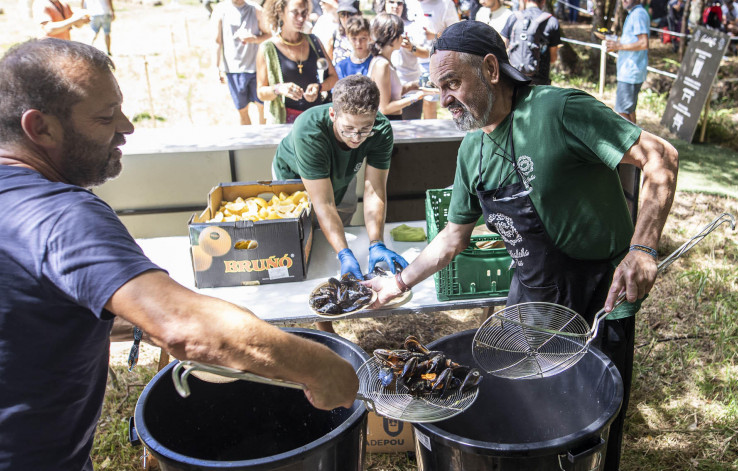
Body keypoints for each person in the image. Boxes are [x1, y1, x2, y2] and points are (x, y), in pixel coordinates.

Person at [0, 38, 358, 471]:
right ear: (40, 128)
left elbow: (15, 316)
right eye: (106, 116)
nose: (127, 127)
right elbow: (187, 329)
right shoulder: (62, 215)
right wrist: (319, 366)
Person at [365, 21, 678, 471]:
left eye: (452, 83)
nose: (446, 98)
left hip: (601, 293)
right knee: (527, 410)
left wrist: (643, 249)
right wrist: (398, 281)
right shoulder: (472, 151)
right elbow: (453, 238)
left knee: (594, 415)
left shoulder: (559, 110)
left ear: (491, 68)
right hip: (531, 296)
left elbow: (660, 157)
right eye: (438, 88)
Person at [273, 75, 406, 333]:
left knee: (332, 247)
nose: (357, 138)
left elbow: (374, 188)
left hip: (342, 176)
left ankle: (334, 307)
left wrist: (376, 242)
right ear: (333, 114)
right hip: (295, 182)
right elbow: (322, 203)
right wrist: (345, 253)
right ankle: (323, 326)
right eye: (348, 129)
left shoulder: (380, 129)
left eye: (364, 129)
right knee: (310, 248)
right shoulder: (308, 129)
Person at [256, 0, 337, 124]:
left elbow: (334, 78)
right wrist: (279, 89)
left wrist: (319, 87)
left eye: (304, 13)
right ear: (280, 12)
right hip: (283, 122)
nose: (301, 18)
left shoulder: (314, 41)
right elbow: (261, 93)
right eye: (295, 12)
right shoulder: (267, 48)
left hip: (315, 121)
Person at [213, 0, 270, 125]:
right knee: (242, 110)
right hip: (233, 70)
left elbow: (269, 35)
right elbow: (217, 42)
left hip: (256, 69)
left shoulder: (256, 10)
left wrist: (255, 39)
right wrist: (217, 67)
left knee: (262, 107)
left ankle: (262, 141)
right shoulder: (220, 10)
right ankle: (250, 142)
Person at [405, 0, 458, 118]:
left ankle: (428, 135)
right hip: (407, 61)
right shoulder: (408, 2)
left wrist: (435, 35)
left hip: (432, 62)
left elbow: (455, 32)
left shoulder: (445, 4)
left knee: (429, 102)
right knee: (408, 103)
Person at [369, 13, 425, 119]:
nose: (402, 38)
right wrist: (417, 97)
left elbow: (391, 94)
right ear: (392, 38)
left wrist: (412, 86)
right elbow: (384, 108)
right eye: (400, 34)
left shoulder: (385, 61)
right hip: (388, 122)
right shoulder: (382, 65)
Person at [382, 0, 428, 119]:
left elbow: (426, 53)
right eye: (391, 2)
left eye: (399, 3)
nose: (395, 6)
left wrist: (411, 47)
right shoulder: (377, 25)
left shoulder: (412, 26)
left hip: (410, 87)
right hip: (387, 89)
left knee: (411, 133)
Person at [605, 0, 648, 124]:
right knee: (628, 110)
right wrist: (616, 44)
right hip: (630, 70)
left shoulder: (638, 14)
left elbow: (643, 43)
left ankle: (633, 142)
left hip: (631, 71)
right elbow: (634, 41)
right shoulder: (634, 13)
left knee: (622, 111)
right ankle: (637, 142)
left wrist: (619, 45)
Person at [501, 0, 560, 85]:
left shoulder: (513, 17)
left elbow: (501, 47)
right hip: (540, 83)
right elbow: (553, 58)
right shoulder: (552, 21)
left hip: (514, 79)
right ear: (543, 1)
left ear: (524, 0)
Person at [327, 0, 359, 67]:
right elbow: (328, 61)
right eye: (342, 14)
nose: (346, 18)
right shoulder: (335, 35)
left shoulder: (365, 36)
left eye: (350, 14)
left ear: (358, 15)